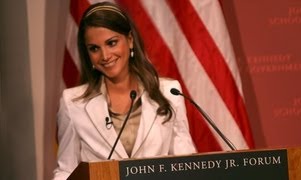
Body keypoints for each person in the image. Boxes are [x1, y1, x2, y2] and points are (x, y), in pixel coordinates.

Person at [52, 1, 197, 179]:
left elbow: (186, 164)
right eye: (94, 48)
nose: (105, 56)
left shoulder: (169, 93)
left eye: (111, 43)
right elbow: (66, 170)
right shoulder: (73, 103)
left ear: (129, 40)